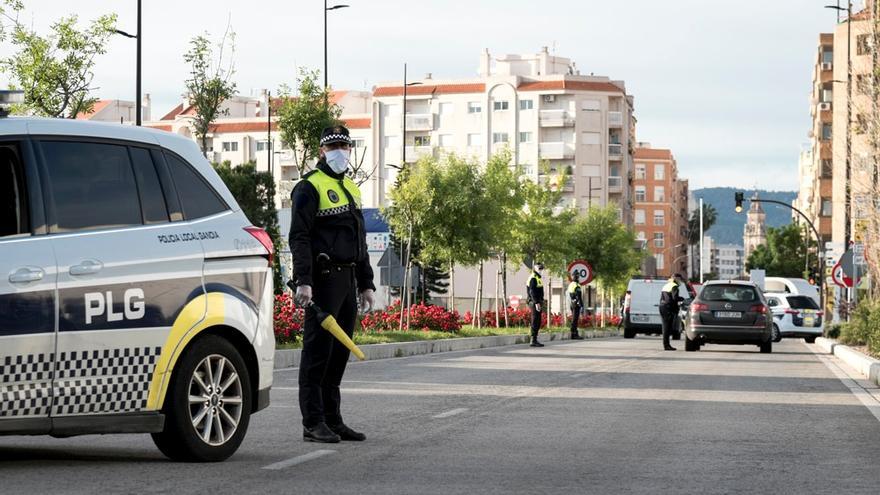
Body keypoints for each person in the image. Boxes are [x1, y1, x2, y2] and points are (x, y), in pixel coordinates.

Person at [289, 125, 376, 443]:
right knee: (317, 354)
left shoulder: (352, 188)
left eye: (346, 145)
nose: (342, 151)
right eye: (335, 145)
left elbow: (360, 240)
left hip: (348, 279)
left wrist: (366, 283)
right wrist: (304, 281)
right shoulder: (309, 187)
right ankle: (312, 422)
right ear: (322, 151)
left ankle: (333, 419)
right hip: (323, 281)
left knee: (338, 355)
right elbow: (299, 236)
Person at [659, 273, 686, 351]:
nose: (680, 281)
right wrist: (682, 299)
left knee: (665, 327)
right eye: (680, 279)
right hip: (668, 308)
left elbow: (663, 297)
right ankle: (666, 345)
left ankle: (666, 345)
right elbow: (675, 298)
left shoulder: (667, 285)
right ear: (676, 278)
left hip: (662, 307)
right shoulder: (674, 286)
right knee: (667, 328)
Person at [527, 262, 545, 347]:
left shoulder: (538, 278)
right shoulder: (533, 278)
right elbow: (532, 292)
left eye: (542, 268)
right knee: (535, 320)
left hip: (538, 302)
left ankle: (535, 339)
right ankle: (533, 340)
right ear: (535, 269)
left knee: (538, 321)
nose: (541, 270)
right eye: (539, 268)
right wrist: (537, 302)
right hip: (534, 302)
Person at [568, 273, 584, 339]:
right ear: (577, 277)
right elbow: (579, 296)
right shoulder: (577, 285)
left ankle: (573, 333)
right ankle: (574, 334)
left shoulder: (571, 284)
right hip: (576, 304)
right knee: (575, 319)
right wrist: (581, 305)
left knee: (574, 319)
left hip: (572, 303)